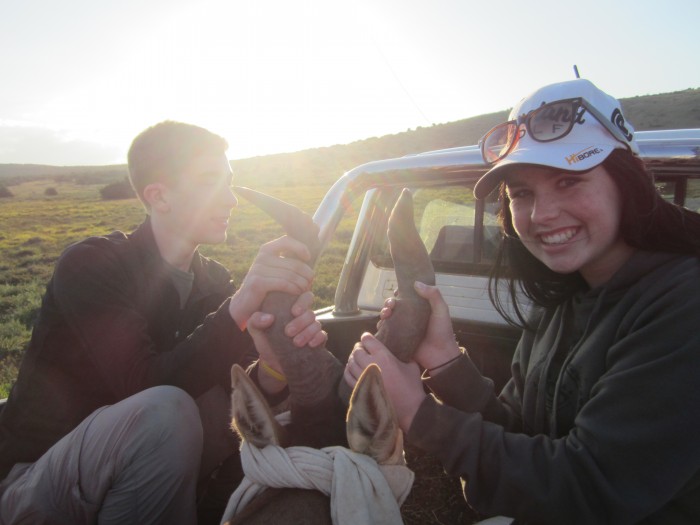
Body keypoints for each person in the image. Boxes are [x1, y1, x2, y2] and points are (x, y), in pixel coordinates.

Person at [344, 79, 700, 524]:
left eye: (569, 181)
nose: (541, 215)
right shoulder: (563, 299)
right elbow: (524, 434)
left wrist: (418, 414)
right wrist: (445, 360)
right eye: (522, 194)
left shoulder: (684, 305)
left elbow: (589, 488)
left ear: (626, 182)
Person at [0, 121, 327, 524]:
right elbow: (143, 388)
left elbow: (224, 396)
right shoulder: (91, 264)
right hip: (37, 478)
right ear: (159, 196)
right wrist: (239, 306)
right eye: (210, 182)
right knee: (166, 409)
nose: (230, 200)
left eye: (229, 183)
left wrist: (273, 366)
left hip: (147, 469)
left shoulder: (213, 281)